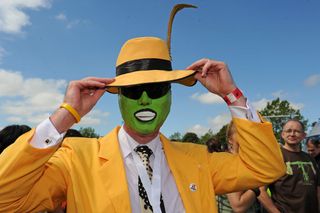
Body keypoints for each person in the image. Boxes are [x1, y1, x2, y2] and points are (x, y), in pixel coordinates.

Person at [0, 5, 285, 213]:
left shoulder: (198, 159)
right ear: (120, 96)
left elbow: (266, 168)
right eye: (135, 90)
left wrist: (232, 96)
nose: (146, 99)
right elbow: (5, 197)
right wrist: (63, 117)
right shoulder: (77, 159)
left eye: (158, 88)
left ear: (171, 96)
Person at [259, 119, 320, 213]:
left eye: (297, 131)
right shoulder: (274, 158)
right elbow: (261, 192)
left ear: (304, 135)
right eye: (288, 131)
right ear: (283, 134)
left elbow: (317, 188)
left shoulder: (310, 158)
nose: (292, 134)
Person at [217, 121, 261, 213]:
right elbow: (238, 205)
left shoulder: (246, 162)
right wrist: (261, 184)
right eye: (242, 133)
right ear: (230, 139)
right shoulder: (230, 163)